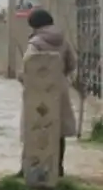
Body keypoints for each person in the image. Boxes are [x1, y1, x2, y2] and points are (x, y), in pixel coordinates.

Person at [16, 9, 77, 178]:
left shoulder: (35, 43)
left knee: (34, 126)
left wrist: (20, 77)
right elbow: (72, 63)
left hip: (38, 93)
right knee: (58, 129)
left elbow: (29, 69)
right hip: (60, 90)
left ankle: (29, 169)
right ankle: (57, 167)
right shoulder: (63, 40)